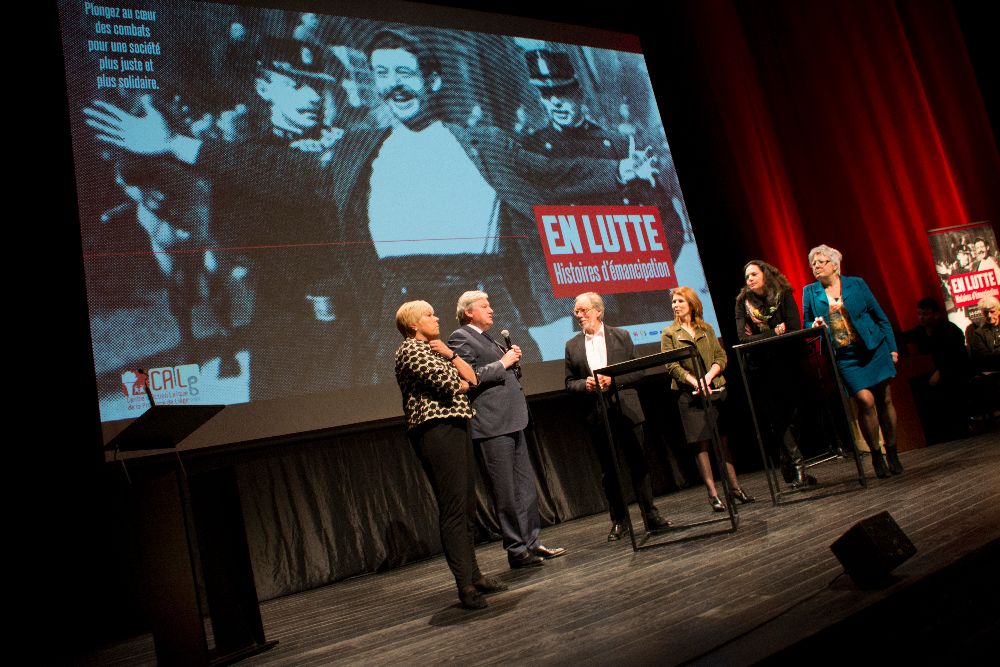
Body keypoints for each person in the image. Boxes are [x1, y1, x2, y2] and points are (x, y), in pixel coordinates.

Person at [84, 37, 356, 397]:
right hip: (280, 331)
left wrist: (178, 145)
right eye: (295, 85)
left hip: (351, 330)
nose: (313, 97)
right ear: (263, 88)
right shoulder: (236, 159)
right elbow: (234, 229)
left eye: (318, 86)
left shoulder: (346, 148)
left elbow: (299, 175)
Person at [393, 300, 508, 610]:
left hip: (456, 425)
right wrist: (457, 375)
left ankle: (475, 574)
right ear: (414, 324)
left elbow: (470, 379)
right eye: (429, 315)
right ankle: (465, 586)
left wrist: (452, 354)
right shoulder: (410, 350)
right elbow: (449, 385)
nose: (437, 317)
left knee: (468, 505)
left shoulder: (435, 348)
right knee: (454, 507)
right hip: (435, 430)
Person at [448, 291, 565, 568]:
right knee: (506, 491)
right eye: (484, 306)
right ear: (468, 312)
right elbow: (470, 377)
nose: (491, 310)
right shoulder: (460, 338)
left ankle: (533, 543)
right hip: (491, 424)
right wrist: (504, 362)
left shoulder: (489, 337)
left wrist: (510, 361)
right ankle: (516, 549)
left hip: (513, 419)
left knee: (525, 488)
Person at [564, 292, 672, 540]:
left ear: (598, 311)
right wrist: (586, 385)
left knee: (639, 464)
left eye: (583, 310)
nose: (578, 315)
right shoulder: (572, 345)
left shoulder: (621, 336)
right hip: (597, 414)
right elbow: (569, 383)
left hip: (626, 409)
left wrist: (613, 381)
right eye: (576, 311)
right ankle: (619, 521)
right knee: (609, 471)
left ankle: (651, 516)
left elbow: (638, 371)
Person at [802, 244, 902, 477]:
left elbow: (880, 317)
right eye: (813, 264)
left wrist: (892, 349)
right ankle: (876, 455)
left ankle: (893, 450)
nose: (815, 267)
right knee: (865, 400)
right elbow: (806, 322)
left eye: (820, 262)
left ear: (834, 265)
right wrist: (813, 326)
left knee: (885, 398)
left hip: (874, 348)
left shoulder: (857, 283)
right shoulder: (810, 292)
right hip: (844, 356)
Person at [662, 287, 755, 512]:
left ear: (691, 304)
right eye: (673, 302)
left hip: (715, 390)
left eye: (680, 301)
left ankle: (735, 489)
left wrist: (709, 377)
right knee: (701, 445)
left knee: (722, 441)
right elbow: (671, 365)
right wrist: (695, 382)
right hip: (690, 396)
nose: (675, 305)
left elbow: (720, 356)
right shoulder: (669, 333)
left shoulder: (707, 328)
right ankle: (713, 494)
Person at [734, 260, 815, 487]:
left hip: (790, 362)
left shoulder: (783, 294)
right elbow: (743, 338)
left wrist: (766, 335)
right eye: (747, 276)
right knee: (778, 416)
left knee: (796, 415)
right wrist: (771, 332)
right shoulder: (743, 303)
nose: (749, 279)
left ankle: (785, 457)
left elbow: (793, 327)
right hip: (762, 368)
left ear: (765, 275)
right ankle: (798, 465)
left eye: (753, 274)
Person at [898, 298, 971, 443]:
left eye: (925, 314)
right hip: (930, 374)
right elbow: (903, 337)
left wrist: (940, 371)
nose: (922, 318)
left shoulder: (950, 330)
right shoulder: (920, 331)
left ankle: (960, 430)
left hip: (954, 374)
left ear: (936, 315)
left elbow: (956, 357)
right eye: (919, 314)